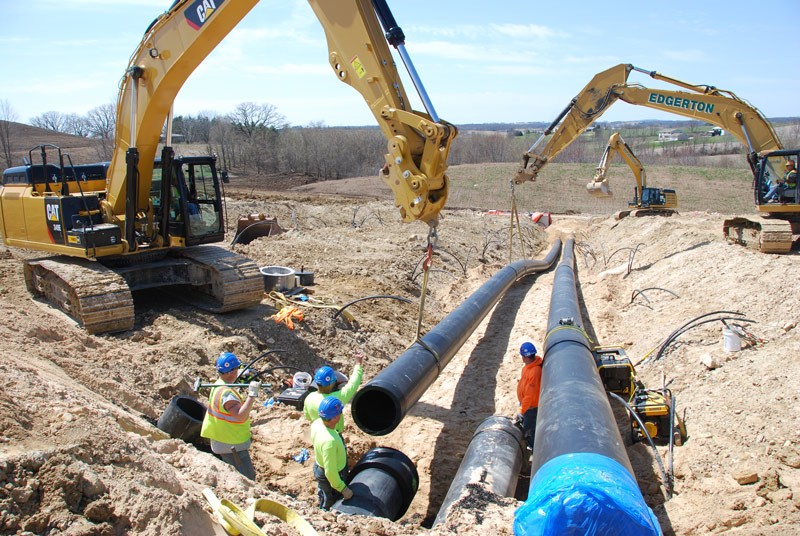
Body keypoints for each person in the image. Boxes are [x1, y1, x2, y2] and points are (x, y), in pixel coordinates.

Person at [200, 352, 260, 480]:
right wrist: (251, 396)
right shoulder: (227, 394)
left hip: (223, 439)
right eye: (237, 369)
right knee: (246, 478)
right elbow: (240, 416)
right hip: (231, 444)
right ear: (231, 372)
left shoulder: (218, 385)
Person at [303, 351, 364, 435]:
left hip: (318, 434)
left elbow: (307, 416)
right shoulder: (336, 399)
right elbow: (353, 384)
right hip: (334, 434)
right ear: (332, 383)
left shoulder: (309, 398)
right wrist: (358, 364)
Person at [310, 397, 354, 510]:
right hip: (331, 476)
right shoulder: (330, 441)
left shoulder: (317, 423)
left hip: (319, 466)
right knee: (331, 499)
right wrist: (343, 489)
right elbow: (330, 472)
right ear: (335, 417)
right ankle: (326, 513)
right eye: (340, 413)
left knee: (323, 491)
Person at [515, 341, 543, 452]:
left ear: (525, 357)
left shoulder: (535, 371)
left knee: (529, 429)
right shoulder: (528, 367)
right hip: (526, 404)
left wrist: (521, 410)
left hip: (531, 407)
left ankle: (533, 449)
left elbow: (530, 395)